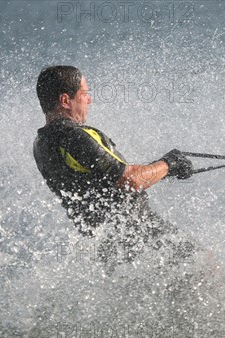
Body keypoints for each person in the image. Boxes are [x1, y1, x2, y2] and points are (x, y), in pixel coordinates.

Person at [33, 65, 195, 267]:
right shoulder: (74, 136)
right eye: (84, 94)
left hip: (109, 245)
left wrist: (159, 172)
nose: (89, 100)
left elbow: (97, 183)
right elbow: (130, 179)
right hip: (140, 234)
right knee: (207, 266)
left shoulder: (41, 144)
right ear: (65, 100)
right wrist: (169, 164)